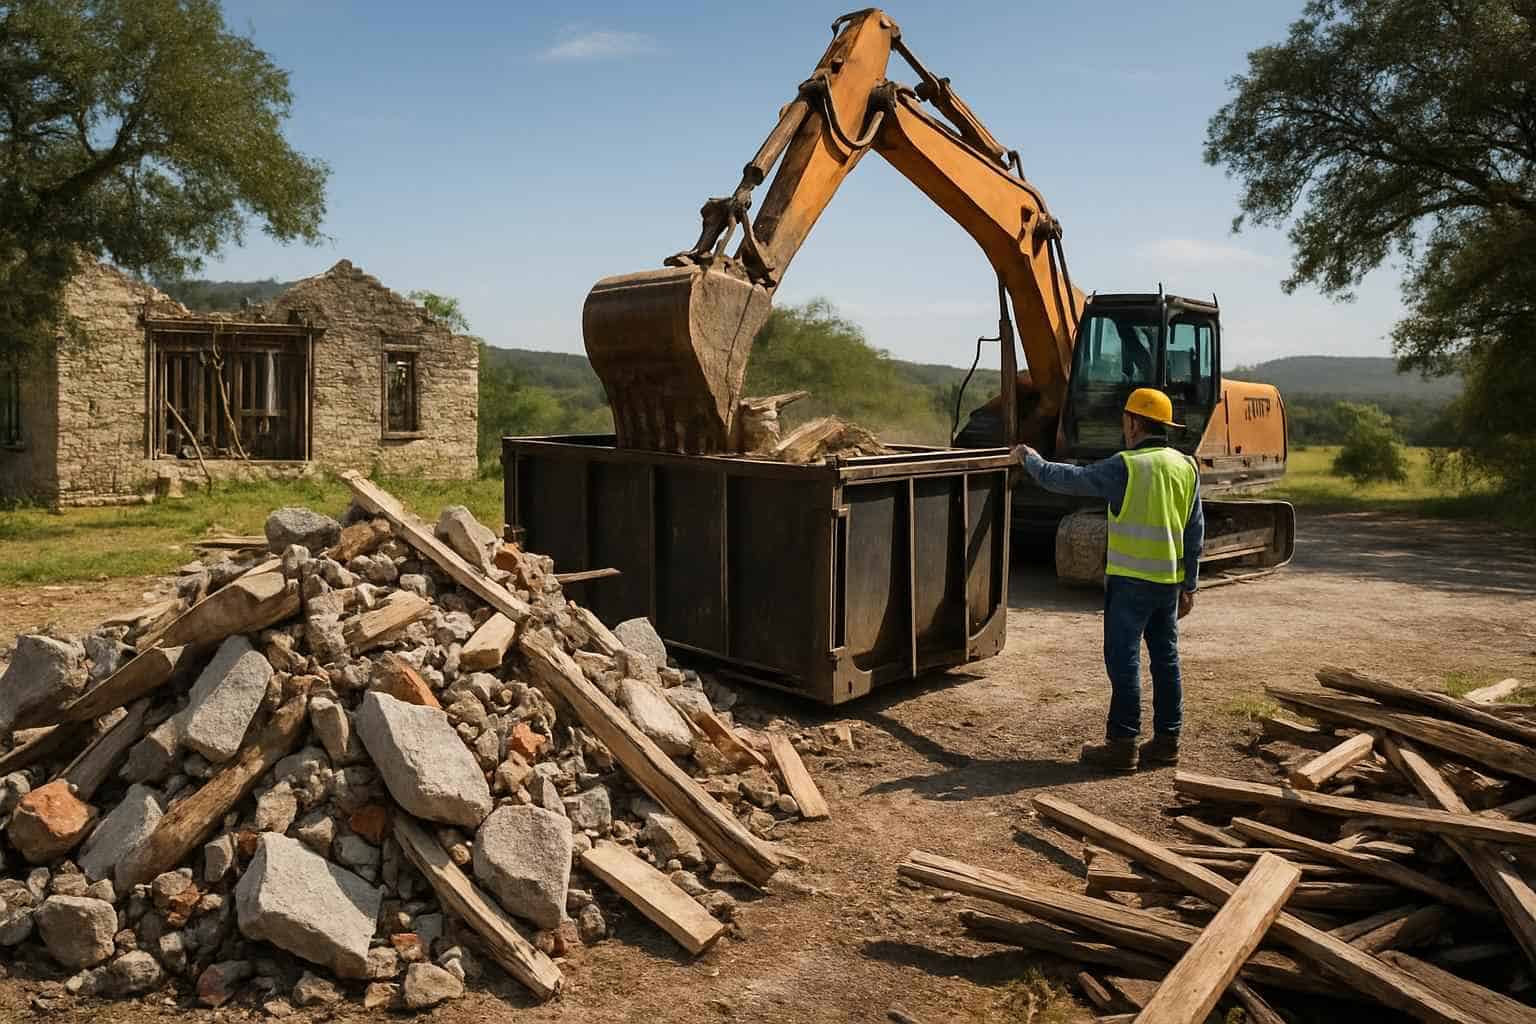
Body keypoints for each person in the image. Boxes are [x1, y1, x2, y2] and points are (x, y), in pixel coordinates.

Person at [1014, 387, 1204, 772]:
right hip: (1167, 582)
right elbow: (1194, 530)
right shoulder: (1187, 466)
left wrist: (1029, 459)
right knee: (1165, 660)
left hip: (1130, 581)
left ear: (1133, 422)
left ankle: (1122, 745)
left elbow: (1068, 478)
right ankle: (1167, 741)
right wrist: (1190, 585)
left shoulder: (1127, 466)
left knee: (1125, 662)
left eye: (1125, 419)